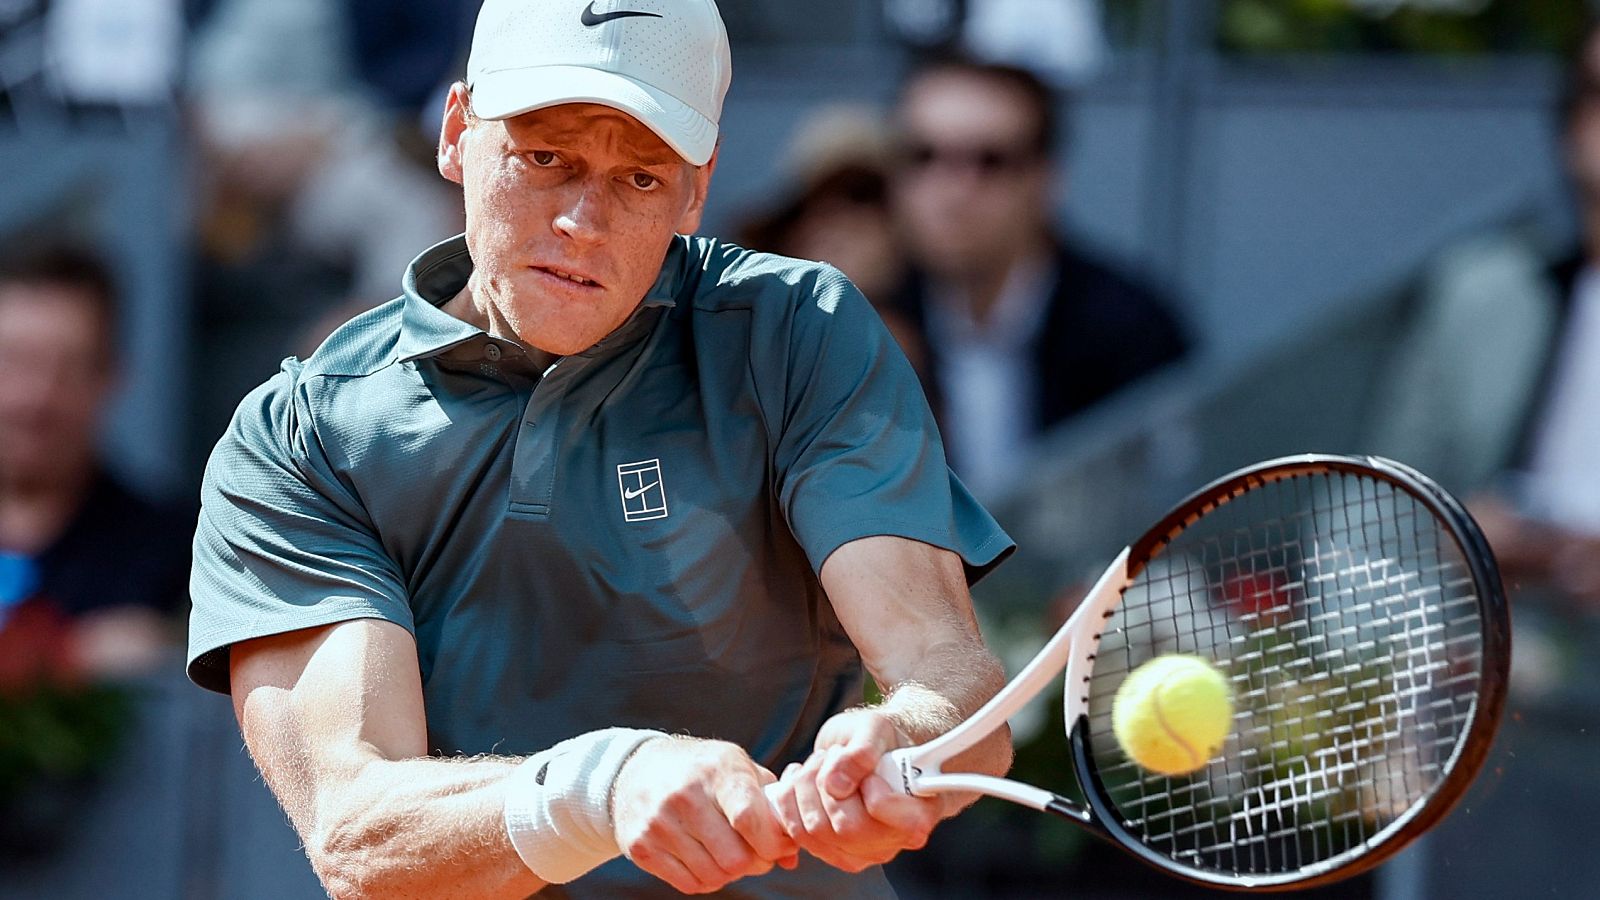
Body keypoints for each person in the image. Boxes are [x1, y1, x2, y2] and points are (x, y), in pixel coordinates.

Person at [186, 1, 1014, 898]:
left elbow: (953, 684)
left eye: (642, 178)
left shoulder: (800, 332)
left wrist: (902, 739)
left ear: (697, 189)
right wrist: (603, 788)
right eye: (546, 157)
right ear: (457, 132)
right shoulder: (303, 435)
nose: (584, 219)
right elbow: (357, 831)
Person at [1369, 20, 1600, 612]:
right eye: (1597, 92)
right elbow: (1376, 515)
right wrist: (1455, 541)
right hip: (1499, 645)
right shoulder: (1482, 297)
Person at [887, 55, 1190, 501]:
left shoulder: (1130, 329)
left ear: (1046, 179)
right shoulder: (868, 321)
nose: (952, 190)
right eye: (922, 156)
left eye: (989, 161)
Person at [0, 243, 189, 676]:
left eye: (69, 368)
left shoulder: (177, 553)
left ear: (111, 376)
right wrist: (66, 656)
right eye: (15, 362)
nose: (37, 397)